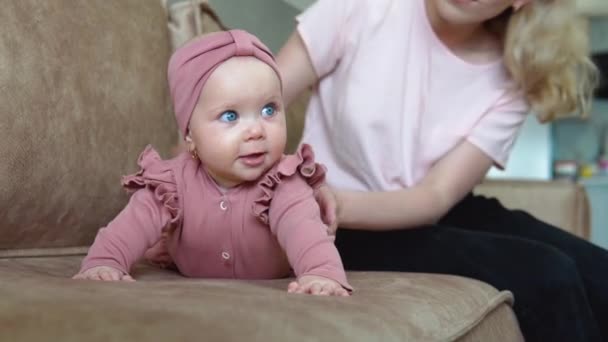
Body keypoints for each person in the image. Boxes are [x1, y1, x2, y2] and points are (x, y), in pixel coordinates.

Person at [276, 0, 607, 340]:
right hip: (339, 226)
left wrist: (338, 202)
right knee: (549, 273)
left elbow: (436, 195)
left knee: (600, 272)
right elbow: (258, 100)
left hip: (423, 206)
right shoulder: (360, 8)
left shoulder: (516, 73)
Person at [72, 29, 351, 297]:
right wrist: (105, 263)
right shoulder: (170, 183)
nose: (256, 131)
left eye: (269, 110)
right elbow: (127, 228)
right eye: (230, 116)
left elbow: (305, 232)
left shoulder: (282, 182)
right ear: (190, 134)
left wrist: (321, 273)